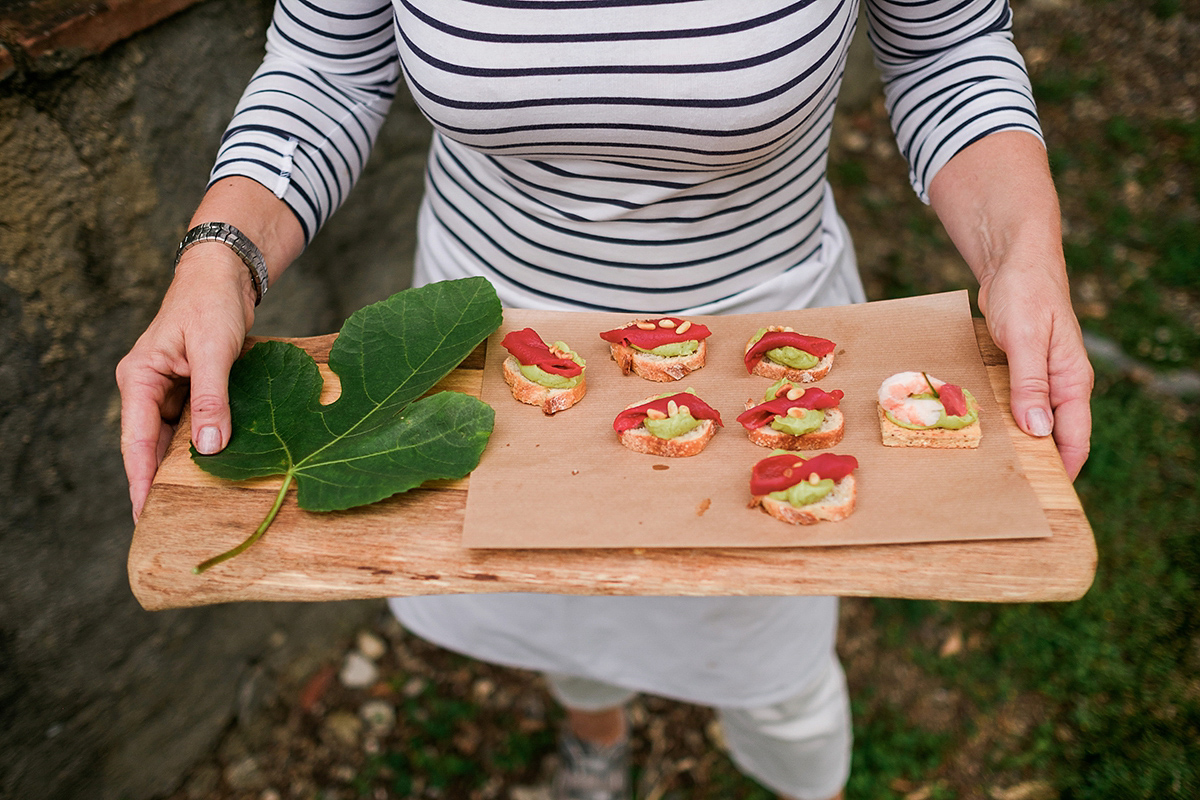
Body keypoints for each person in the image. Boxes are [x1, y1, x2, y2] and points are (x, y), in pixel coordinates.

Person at [117, 2, 1093, 798]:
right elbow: (327, 67)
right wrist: (224, 257)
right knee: (563, 618)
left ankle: (802, 777)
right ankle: (596, 731)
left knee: (776, 674)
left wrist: (1026, 256)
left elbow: (949, 49)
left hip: (766, 347)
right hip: (486, 357)